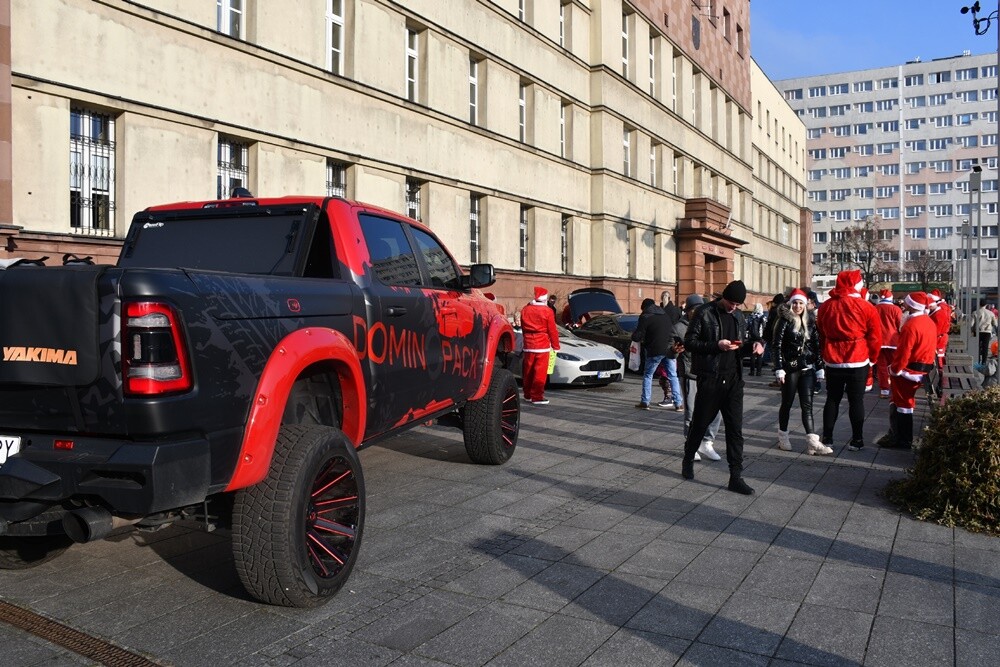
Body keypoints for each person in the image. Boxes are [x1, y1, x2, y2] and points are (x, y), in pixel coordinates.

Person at [680, 280, 764, 495]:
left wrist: (755, 345)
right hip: (711, 378)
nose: (734, 307)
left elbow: (741, 346)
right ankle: (688, 458)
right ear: (723, 297)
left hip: (734, 380)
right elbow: (689, 342)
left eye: (738, 305)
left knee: (735, 430)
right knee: (700, 424)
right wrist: (716, 345)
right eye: (731, 303)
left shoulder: (738, 316)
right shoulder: (704, 312)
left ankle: (736, 477)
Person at [816, 269, 881, 452]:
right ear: (856, 285)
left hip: (833, 358)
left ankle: (827, 438)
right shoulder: (866, 307)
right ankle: (857, 440)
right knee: (856, 401)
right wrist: (873, 358)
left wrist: (824, 353)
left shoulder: (826, 306)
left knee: (832, 399)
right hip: (858, 358)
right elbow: (875, 336)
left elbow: (821, 333)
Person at [771, 289, 832, 455]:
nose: (798, 306)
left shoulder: (810, 322)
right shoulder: (784, 320)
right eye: (795, 303)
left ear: (805, 305)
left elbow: (816, 346)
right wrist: (779, 368)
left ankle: (813, 442)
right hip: (790, 369)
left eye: (800, 303)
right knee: (787, 403)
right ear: (791, 304)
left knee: (808, 406)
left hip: (807, 368)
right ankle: (783, 437)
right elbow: (776, 346)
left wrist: (819, 367)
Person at [877, 292, 937, 450]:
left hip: (909, 371)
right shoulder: (928, 321)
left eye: (906, 301)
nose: (903, 303)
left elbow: (904, 352)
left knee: (902, 403)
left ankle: (902, 439)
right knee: (904, 403)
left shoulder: (911, 325)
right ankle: (900, 437)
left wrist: (895, 370)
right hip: (923, 369)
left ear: (911, 305)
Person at [673, 294, 723, 462]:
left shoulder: (709, 321)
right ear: (687, 311)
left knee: (716, 411)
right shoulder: (679, 328)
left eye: (699, 309)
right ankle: (691, 444)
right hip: (691, 374)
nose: (697, 312)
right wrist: (674, 351)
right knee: (692, 413)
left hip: (710, 372)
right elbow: (669, 352)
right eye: (694, 310)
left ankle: (707, 442)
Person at [632, 298, 676, 409]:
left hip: (655, 350)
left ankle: (645, 402)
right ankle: (678, 404)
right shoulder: (665, 315)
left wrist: (634, 335)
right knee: (672, 376)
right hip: (669, 349)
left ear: (644, 307)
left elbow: (637, 336)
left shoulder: (645, 316)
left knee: (648, 375)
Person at [520, 286, 560, 405]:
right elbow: (552, 330)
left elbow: (523, 327)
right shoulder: (547, 311)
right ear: (545, 299)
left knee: (528, 371)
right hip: (542, 345)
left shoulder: (525, 309)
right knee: (540, 372)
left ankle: (527, 394)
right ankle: (537, 397)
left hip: (528, 344)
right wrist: (556, 346)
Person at [874, 289, 902, 399]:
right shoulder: (896, 309)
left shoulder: (875, 308)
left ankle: (884, 390)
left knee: (881, 367)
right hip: (893, 341)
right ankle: (896, 387)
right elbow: (900, 325)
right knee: (895, 365)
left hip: (878, 341)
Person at [659, 290, 684, 408]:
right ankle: (677, 400)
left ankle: (669, 397)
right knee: (672, 373)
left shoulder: (661, 311)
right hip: (675, 345)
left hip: (664, 345)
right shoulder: (676, 310)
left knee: (665, 373)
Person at [764, 293, 785, 388]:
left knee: (776, 359)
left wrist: (765, 337)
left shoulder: (774, 311)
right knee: (781, 359)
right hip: (782, 338)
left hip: (772, 338)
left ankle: (778, 380)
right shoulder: (785, 311)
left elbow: (769, 326)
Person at [970, 300, 998, 365]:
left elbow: (971, 324)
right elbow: (995, 324)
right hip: (987, 332)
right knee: (985, 347)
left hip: (977, 332)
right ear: (986, 305)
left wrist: (972, 330)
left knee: (977, 347)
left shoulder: (975, 312)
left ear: (979, 304)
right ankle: (984, 362)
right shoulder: (991, 313)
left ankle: (977, 361)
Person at [746, 303, 767, 376]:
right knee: (759, 354)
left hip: (752, 337)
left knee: (752, 354)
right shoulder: (762, 316)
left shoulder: (751, 316)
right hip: (760, 337)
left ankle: (752, 371)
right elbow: (764, 327)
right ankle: (759, 371)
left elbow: (747, 327)